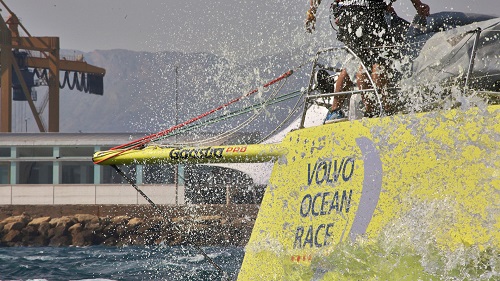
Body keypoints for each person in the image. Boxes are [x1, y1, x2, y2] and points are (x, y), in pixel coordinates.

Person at [306, 0, 430, 118]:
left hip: (347, 17)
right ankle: (387, 108)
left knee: (357, 64)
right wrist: (418, 5)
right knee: (379, 63)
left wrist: (311, 13)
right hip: (371, 13)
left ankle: (355, 110)